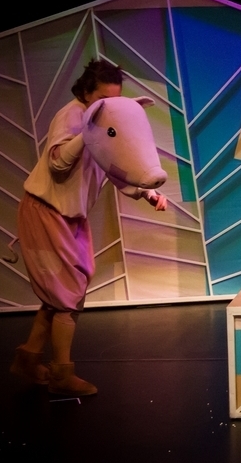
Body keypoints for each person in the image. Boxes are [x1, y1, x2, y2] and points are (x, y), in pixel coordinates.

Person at [9, 59, 168, 397]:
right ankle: (61, 373)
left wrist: (148, 193)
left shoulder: (104, 119)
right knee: (67, 296)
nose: (108, 106)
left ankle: (28, 359)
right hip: (46, 211)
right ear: (85, 93)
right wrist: (87, 133)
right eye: (102, 99)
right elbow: (57, 162)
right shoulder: (71, 115)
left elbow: (115, 165)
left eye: (114, 99)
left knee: (64, 293)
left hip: (70, 217)